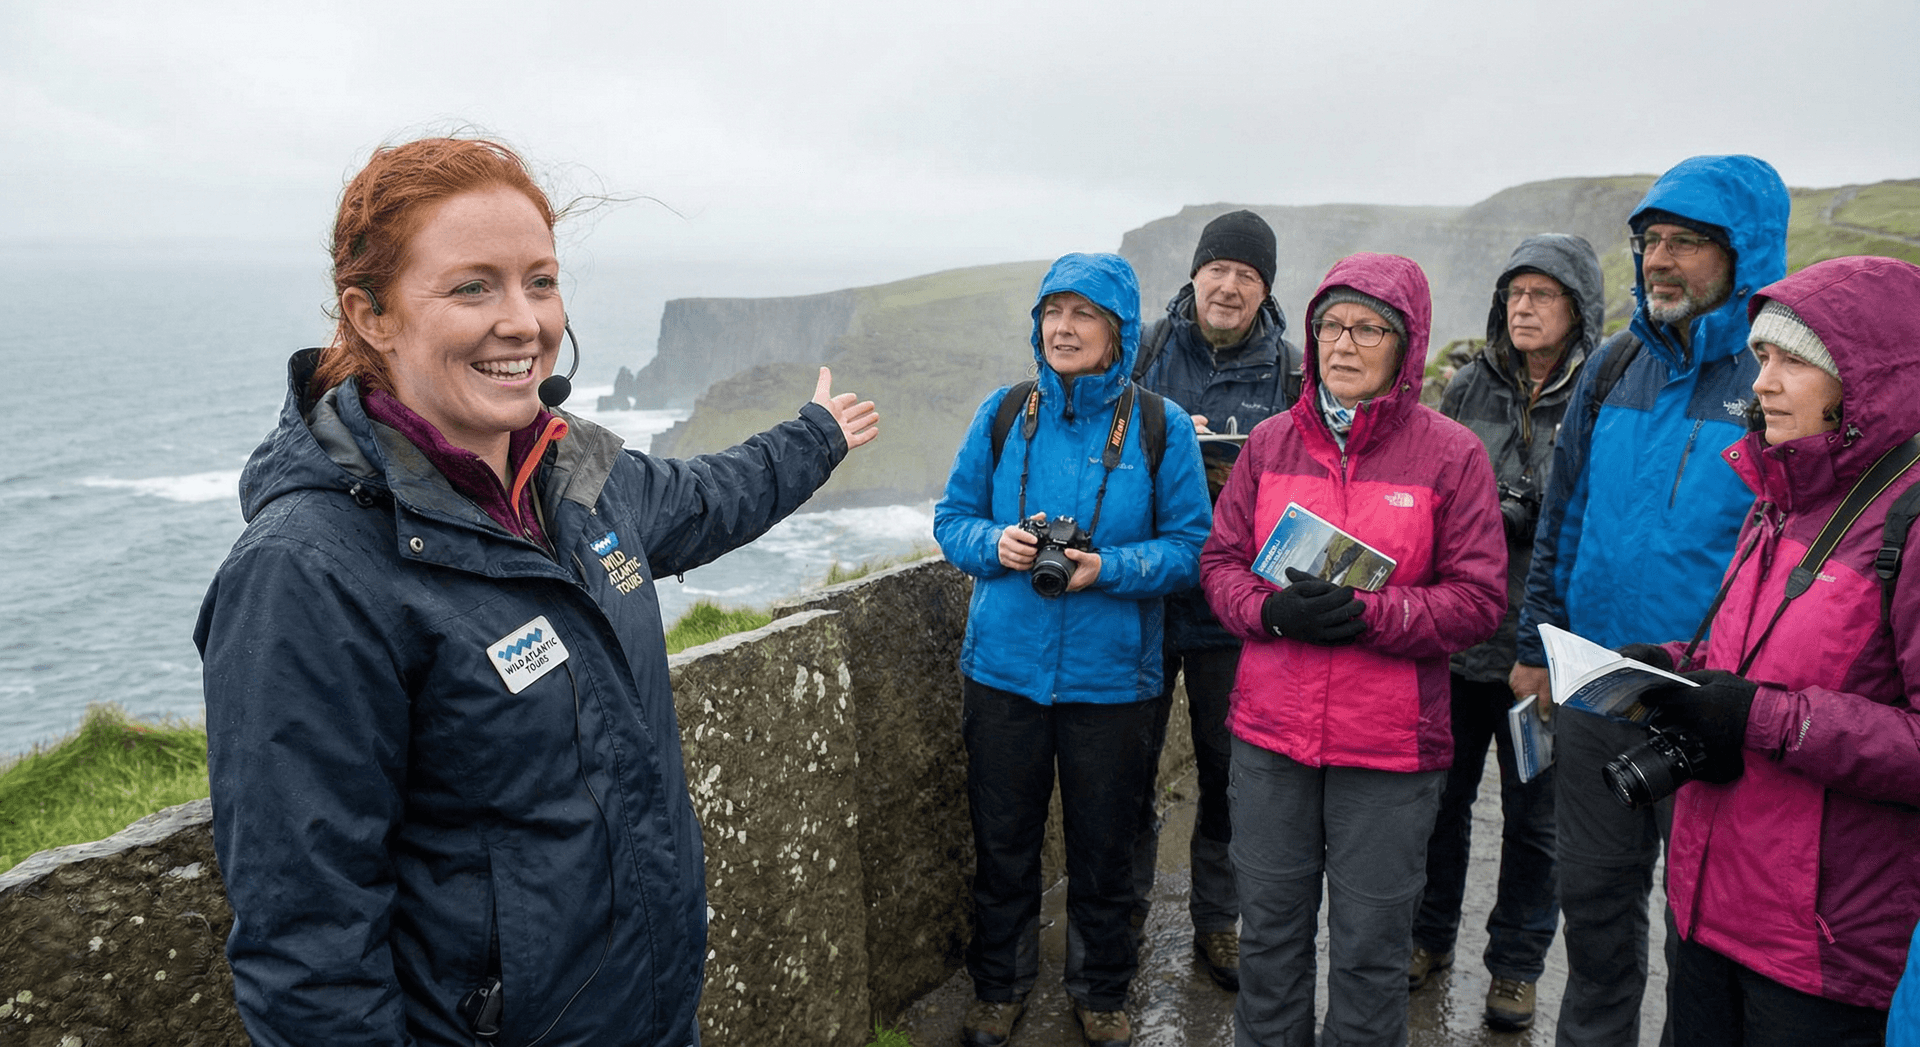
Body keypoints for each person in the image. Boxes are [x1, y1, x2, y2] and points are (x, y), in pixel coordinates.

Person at [195, 137, 879, 1047]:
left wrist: (816, 437)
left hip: (651, 1010)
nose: (522, 321)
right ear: (372, 314)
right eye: (473, 287)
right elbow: (309, 946)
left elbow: (711, 496)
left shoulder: (578, 476)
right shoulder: (307, 574)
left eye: (541, 282)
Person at [1511, 155, 1790, 1047]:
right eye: (1651, 242)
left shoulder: (1776, 380)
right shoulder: (1617, 365)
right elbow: (1564, 515)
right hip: (1595, 680)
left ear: (1744, 253)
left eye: (1687, 243)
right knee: (1592, 896)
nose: (1661, 260)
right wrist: (1536, 645)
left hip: (1711, 703)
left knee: (1703, 928)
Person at [1199, 252, 1507, 1047]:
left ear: (1407, 344)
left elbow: (1478, 602)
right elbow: (1220, 564)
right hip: (1270, 737)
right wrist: (1273, 616)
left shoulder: (1452, 455)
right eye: (1330, 324)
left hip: (1391, 750)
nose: (1343, 343)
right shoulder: (1269, 444)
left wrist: (1372, 614)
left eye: (1368, 327)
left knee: (1371, 955)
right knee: (1268, 942)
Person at [1620, 256, 1920, 1046]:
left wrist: (1765, 720)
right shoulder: (1780, 493)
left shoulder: (1908, 524)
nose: (1763, 382)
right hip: (1707, 902)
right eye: (1762, 357)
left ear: (1867, 378)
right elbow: (1754, 657)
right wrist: (1675, 663)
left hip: (1820, 944)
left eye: (1796, 361)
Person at [934, 252, 1212, 1047]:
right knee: (1004, 843)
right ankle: (999, 987)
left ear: (1118, 332)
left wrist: (1108, 569)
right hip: (1004, 673)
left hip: (1112, 680)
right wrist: (998, 544)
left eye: (1083, 314)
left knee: (1106, 847)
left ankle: (1102, 990)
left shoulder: (1159, 427)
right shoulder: (1003, 412)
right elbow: (952, 520)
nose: (1063, 327)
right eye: (1052, 312)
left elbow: (1192, 547)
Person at [1413, 233, 1603, 1029]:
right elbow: (1434, 491)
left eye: (1543, 295)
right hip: (1460, 643)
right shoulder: (1466, 387)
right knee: (1439, 803)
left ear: (1579, 310)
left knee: (1537, 819)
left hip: (1547, 656)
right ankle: (1427, 939)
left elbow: (1591, 518)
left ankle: (1517, 966)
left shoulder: (1601, 391)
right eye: (1514, 295)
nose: (1523, 308)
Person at [1130, 209, 1303, 992]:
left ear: (1264, 288)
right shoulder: (1145, 351)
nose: (1228, 285)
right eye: (1217, 269)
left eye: (1247, 274)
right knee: (1126, 771)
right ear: (1195, 274)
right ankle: (1122, 915)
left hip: (1235, 613)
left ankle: (1218, 922)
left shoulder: (1294, 374)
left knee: (1231, 773)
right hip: (1140, 597)